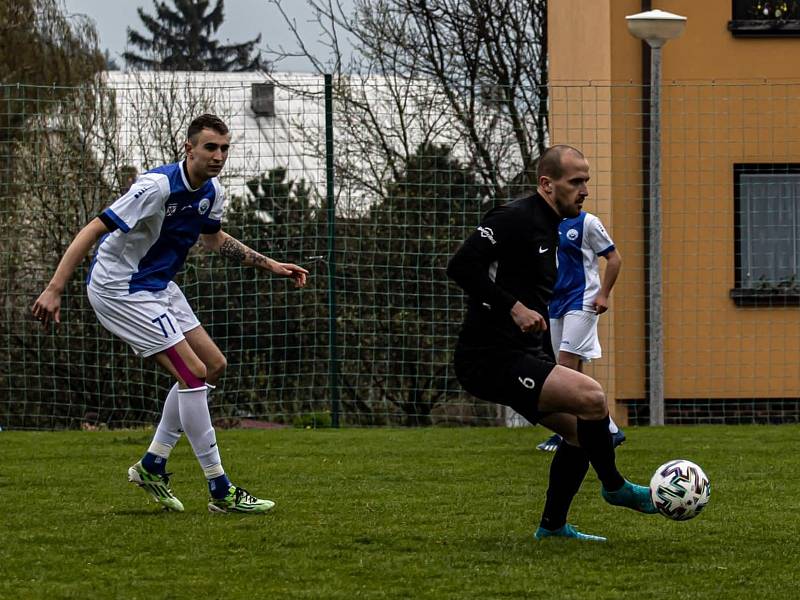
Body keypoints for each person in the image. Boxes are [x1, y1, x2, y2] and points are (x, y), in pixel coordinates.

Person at [32, 114, 309, 514]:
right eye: (210, 147)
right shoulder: (156, 186)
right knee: (193, 375)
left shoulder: (211, 192)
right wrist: (55, 288)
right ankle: (220, 490)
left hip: (157, 286)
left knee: (212, 366)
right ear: (189, 148)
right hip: (120, 289)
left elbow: (214, 239)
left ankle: (152, 464)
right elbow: (94, 229)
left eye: (224, 148)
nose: (218, 156)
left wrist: (272, 265)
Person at [447, 145, 656, 542]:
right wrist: (514, 308)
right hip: (488, 357)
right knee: (592, 399)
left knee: (578, 432)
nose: (585, 191)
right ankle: (616, 488)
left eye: (586, 182)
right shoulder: (514, 218)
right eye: (576, 182)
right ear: (547, 184)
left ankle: (553, 526)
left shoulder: (556, 227)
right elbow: (460, 266)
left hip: (522, 352)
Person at [536, 210, 625, 452]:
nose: (580, 192)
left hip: (583, 301)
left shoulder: (588, 222)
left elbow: (614, 258)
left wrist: (603, 294)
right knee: (571, 375)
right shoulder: (543, 223)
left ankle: (566, 433)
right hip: (555, 304)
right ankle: (605, 429)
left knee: (563, 369)